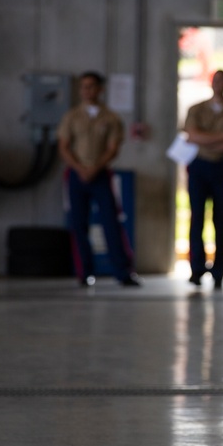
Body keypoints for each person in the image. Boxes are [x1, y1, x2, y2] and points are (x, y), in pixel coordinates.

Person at [57, 71, 140, 288]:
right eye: (83, 87)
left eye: (91, 86)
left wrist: (95, 167)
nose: (87, 91)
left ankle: (122, 271)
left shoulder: (110, 118)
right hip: (77, 174)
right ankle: (85, 272)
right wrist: (80, 168)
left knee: (111, 223)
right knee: (79, 223)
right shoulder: (72, 117)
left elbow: (113, 148)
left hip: (101, 174)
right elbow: (64, 147)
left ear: (100, 89)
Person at [183, 70, 223, 289]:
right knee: (197, 217)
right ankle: (196, 268)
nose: (218, 84)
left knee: (220, 219)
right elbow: (191, 136)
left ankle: (219, 270)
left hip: (222, 167)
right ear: (211, 83)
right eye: (215, 80)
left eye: (222, 81)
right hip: (199, 166)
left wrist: (205, 139)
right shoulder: (196, 109)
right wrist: (221, 137)